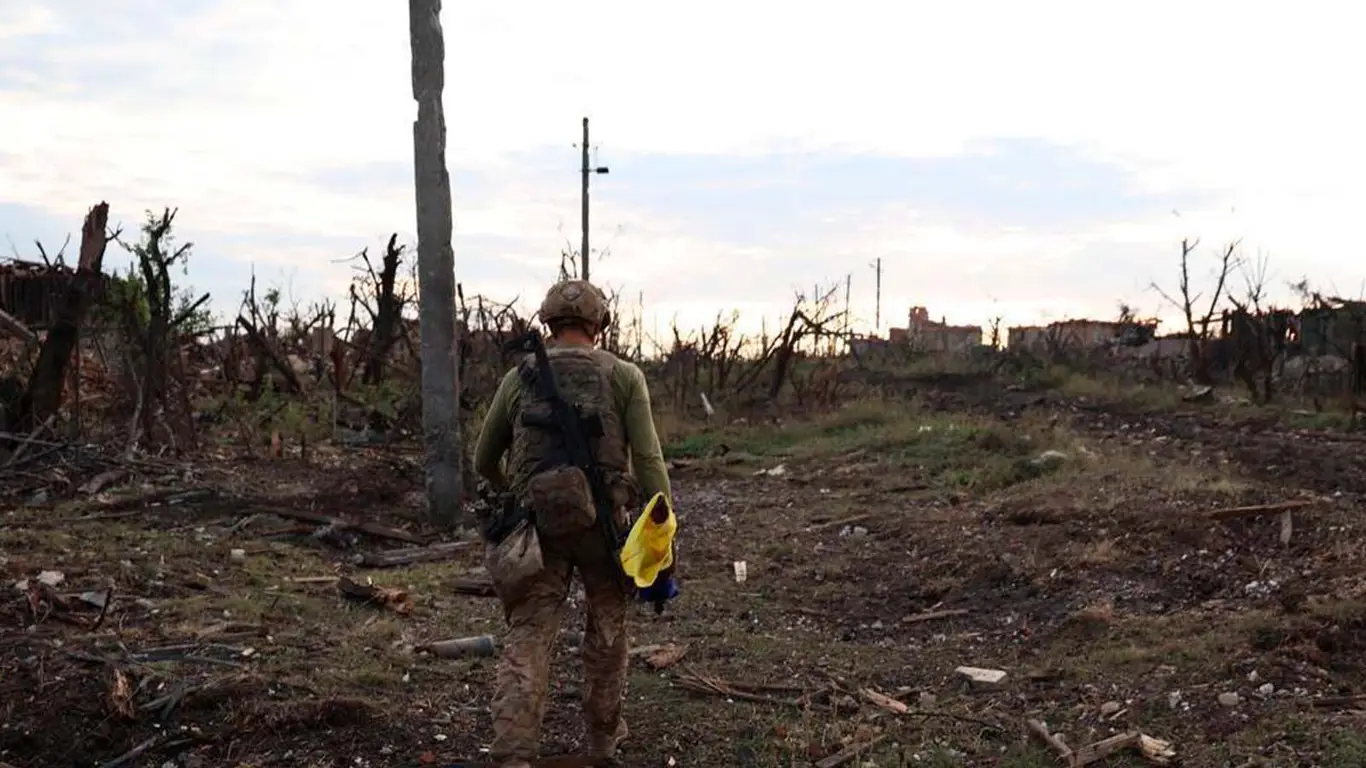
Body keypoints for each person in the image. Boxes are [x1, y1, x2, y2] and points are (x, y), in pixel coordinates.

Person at [473, 279, 673, 768]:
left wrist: (517, 496)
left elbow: (483, 459)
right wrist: (662, 521)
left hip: (534, 527)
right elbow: (648, 461)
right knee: (607, 632)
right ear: (599, 324)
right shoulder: (625, 376)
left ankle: (513, 755)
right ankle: (603, 744)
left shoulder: (519, 377)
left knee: (530, 633)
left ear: (549, 323)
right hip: (604, 527)